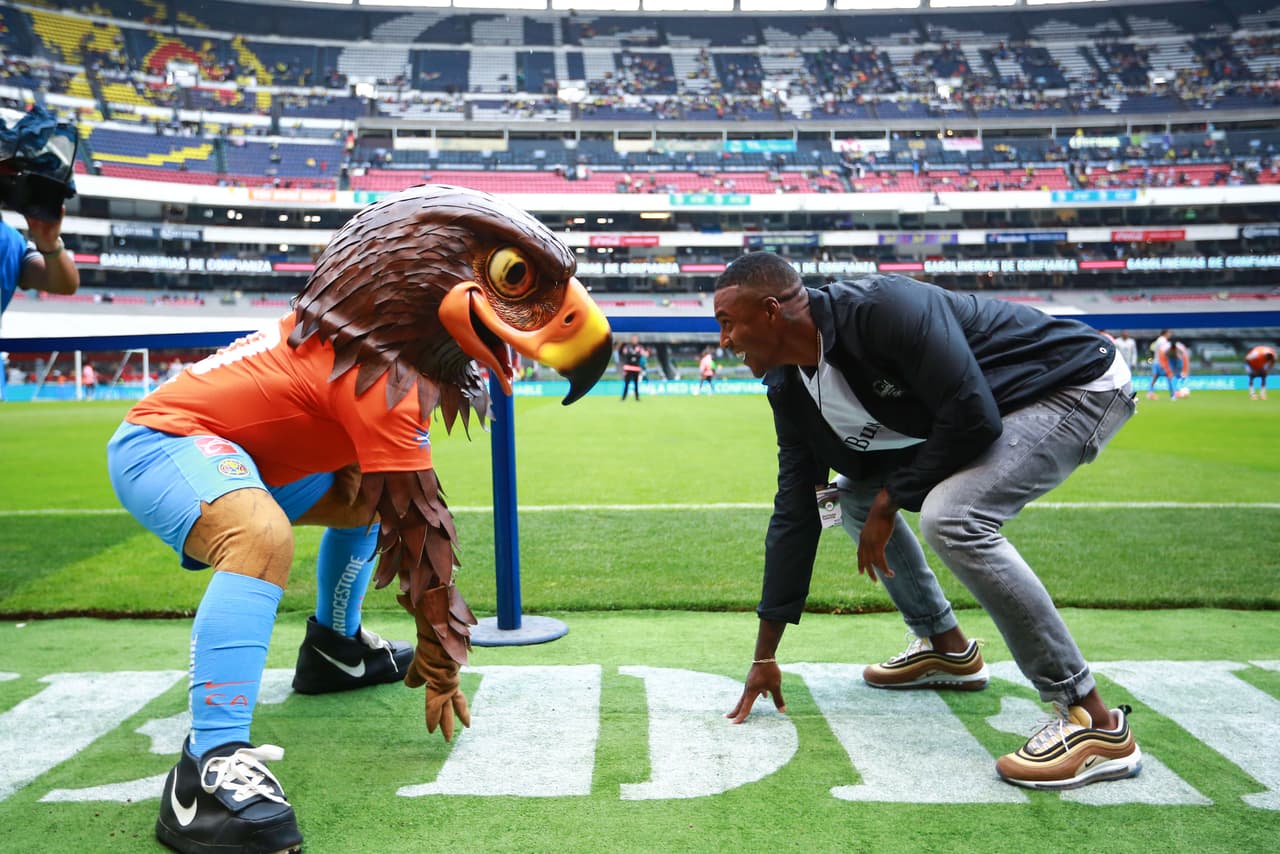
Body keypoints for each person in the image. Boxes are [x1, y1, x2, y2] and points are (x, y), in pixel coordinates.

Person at [105, 185, 612, 854]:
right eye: (512, 276)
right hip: (165, 443)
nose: (570, 319)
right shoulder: (375, 373)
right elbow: (421, 527)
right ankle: (208, 767)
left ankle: (334, 650)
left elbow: (402, 509)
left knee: (368, 494)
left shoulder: (385, 358)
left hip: (253, 460)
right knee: (260, 536)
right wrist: (442, 656)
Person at [714, 251, 1140, 791]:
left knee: (953, 517)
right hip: (992, 409)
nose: (723, 341)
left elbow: (971, 413)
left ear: (772, 311)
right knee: (847, 497)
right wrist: (766, 653)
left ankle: (1094, 722)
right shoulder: (789, 388)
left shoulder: (884, 308)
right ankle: (948, 649)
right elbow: (799, 508)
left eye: (727, 323)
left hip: (1073, 385)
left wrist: (891, 503)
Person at [619, 335, 646, 401]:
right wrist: (635, 354)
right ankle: (623, 398)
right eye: (633, 339)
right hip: (628, 368)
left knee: (636, 384)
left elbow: (643, 354)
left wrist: (633, 354)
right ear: (631, 340)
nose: (634, 340)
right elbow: (625, 353)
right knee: (626, 384)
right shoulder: (627, 347)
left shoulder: (639, 347)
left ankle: (637, 398)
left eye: (635, 339)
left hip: (636, 368)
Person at [1146, 329, 1170, 400]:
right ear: (1165, 333)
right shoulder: (1164, 341)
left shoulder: (1157, 341)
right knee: (1169, 376)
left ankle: (1150, 393)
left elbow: (1152, 350)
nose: (1170, 334)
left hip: (1156, 361)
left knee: (1154, 378)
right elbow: (1164, 352)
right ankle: (1173, 394)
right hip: (1161, 362)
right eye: (1169, 333)